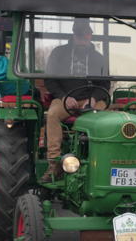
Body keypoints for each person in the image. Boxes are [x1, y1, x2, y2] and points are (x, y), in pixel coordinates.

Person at [42, 18, 109, 179]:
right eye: (79, 36)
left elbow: (105, 85)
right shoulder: (59, 53)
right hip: (65, 99)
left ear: (90, 36)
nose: (82, 40)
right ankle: (54, 164)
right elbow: (50, 80)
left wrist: (93, 98)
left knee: (105, 120)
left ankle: (100, 160)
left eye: (85, 36)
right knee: (52, 115)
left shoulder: (100, 58)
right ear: (73, 35)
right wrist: (63, 96)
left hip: (91, 100)